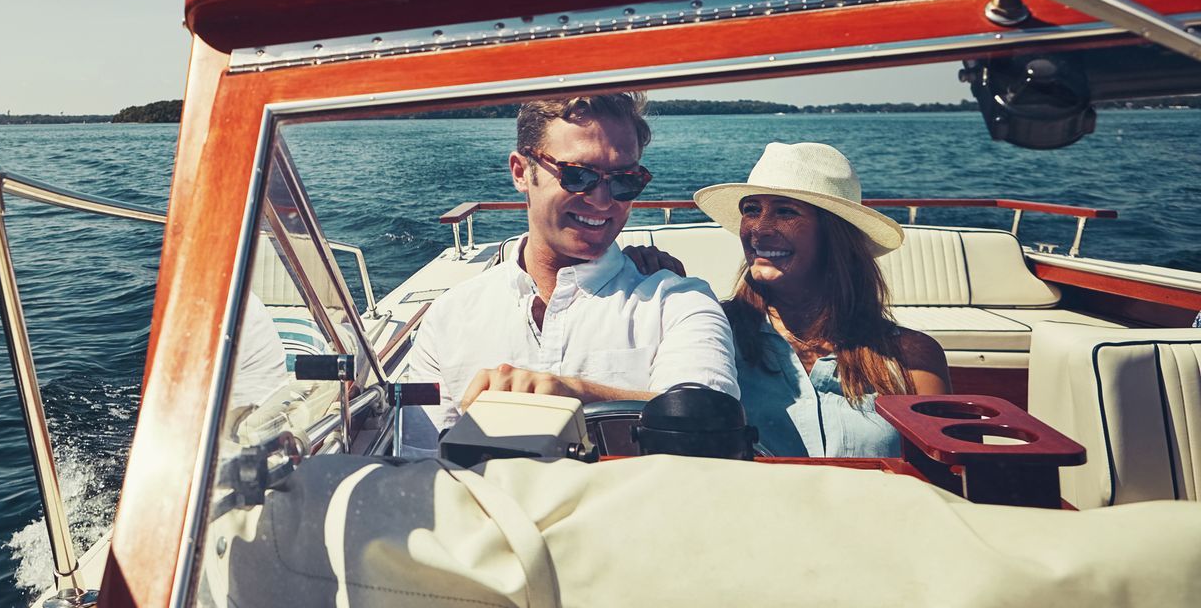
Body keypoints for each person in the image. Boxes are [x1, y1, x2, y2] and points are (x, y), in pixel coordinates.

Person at [404, 93, 737, 444]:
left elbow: (710, 422)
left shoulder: (679, 302)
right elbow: (424, 458)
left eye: (625, 181)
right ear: (521, 172)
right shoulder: (448, 318)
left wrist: (570, 395)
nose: (602, 200)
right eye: (578, 176)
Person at [692, 141, 950, 458]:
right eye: (751, 210)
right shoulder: (711, 336)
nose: (759, 229)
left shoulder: (913, 359)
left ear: (835, 235)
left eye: (785, 211)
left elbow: (947, 481)